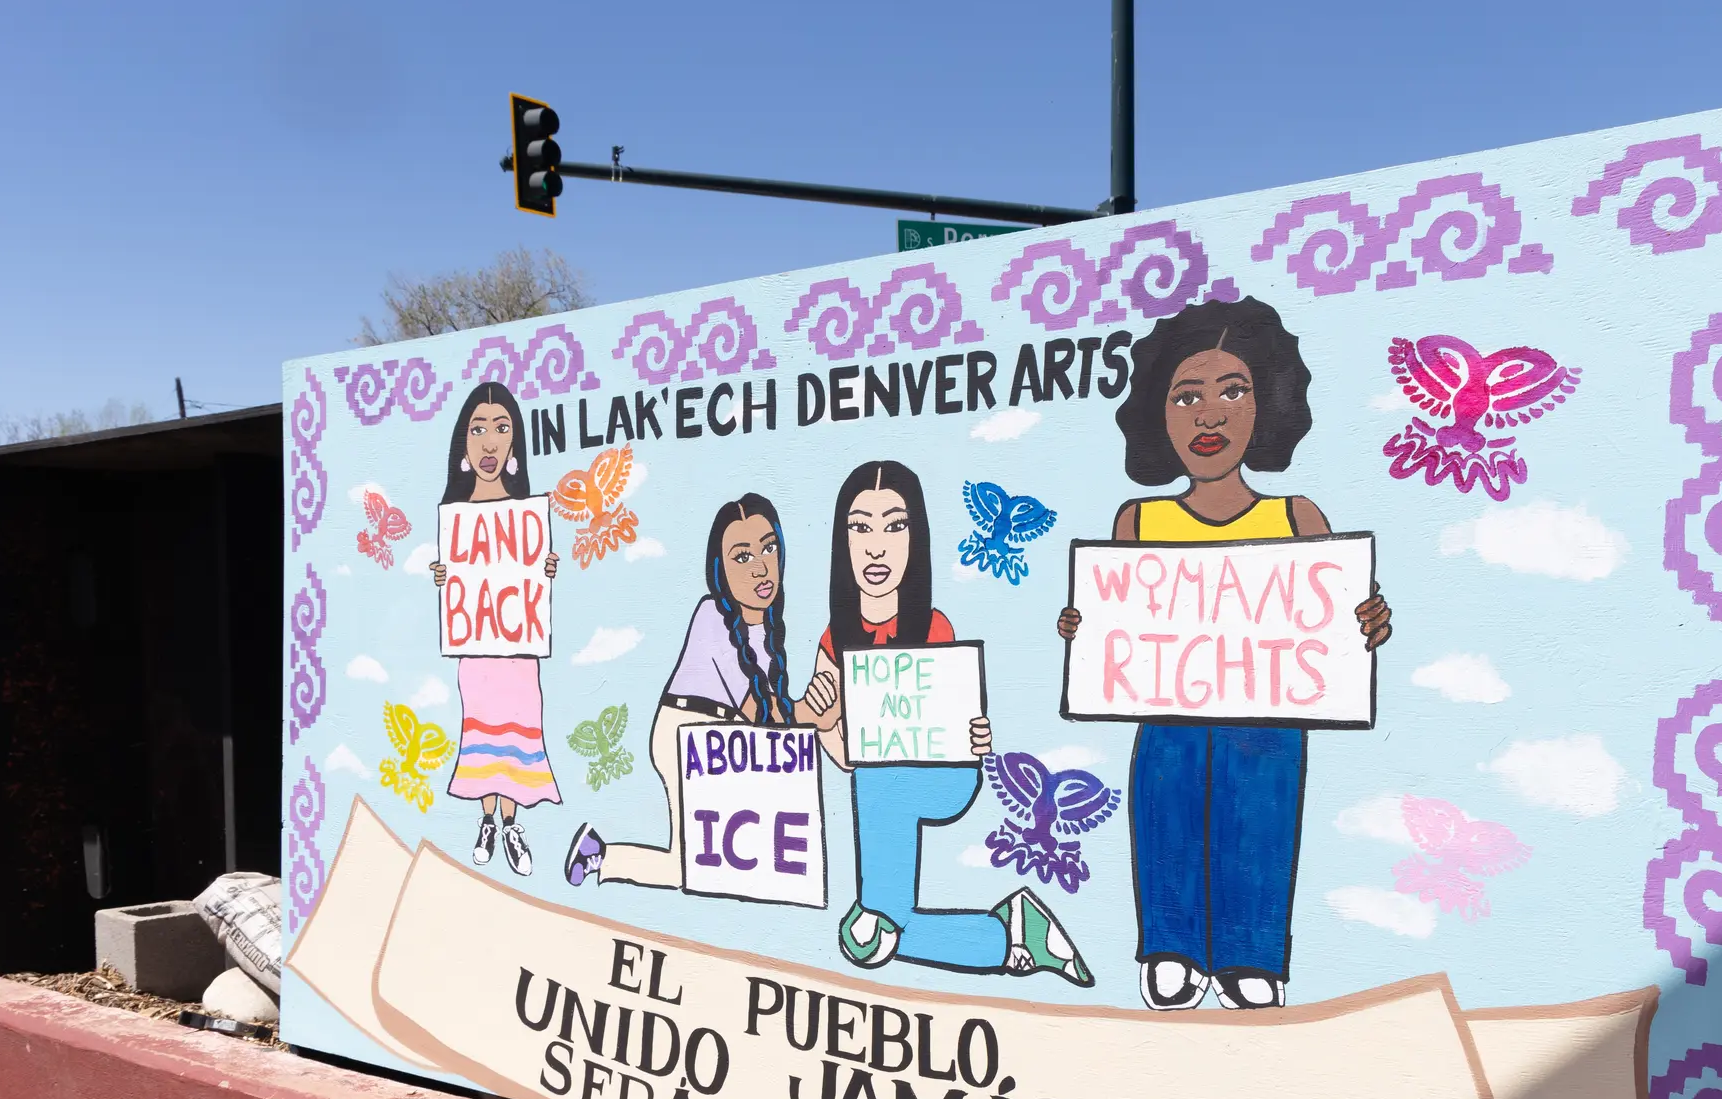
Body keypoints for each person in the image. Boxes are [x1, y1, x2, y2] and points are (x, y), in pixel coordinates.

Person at [1055, 298, 1394, 1009]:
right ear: (1159, 415)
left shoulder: (1295, 517)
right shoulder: (1139, 520)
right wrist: (1083, 626)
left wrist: (1367, 620)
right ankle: (1170, 946)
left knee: (1260, 815)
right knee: (1166, 806)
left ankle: (1251, 956)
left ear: (1265, 404)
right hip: (1168, 716)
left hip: (1267, 718)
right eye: (1186, 397)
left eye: (1232, 391)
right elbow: (1114, 623)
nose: (1208, 415)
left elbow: (1337, 615)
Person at [800, 461, 1088, 983]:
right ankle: (1009, 936)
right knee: (871, 935)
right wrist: (823, 724)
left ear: (916, 539)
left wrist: (975, 737)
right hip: (880, 783)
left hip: (943, 777)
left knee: (880, 783)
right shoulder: (833, 639)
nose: (877, 548)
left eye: (895, 526)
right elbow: (847, 759)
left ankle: (881, 915)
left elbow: (946, 727)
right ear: (843, 541)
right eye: (861, 528)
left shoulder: (933, 626)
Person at [564, 494, 797, 889]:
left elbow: (771, 715)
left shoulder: (768, 632)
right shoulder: (713, 616)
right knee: (695, 867)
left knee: (703, 863)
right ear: (720, 570)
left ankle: (597, 853)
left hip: (721, 739)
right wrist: (812, 716)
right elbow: (758, 712)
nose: (760, 567)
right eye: (742, 557)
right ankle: (599, 856)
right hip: (686, 733)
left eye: (769, 548)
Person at [428, 382, 560, 878]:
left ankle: (511, 824)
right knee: (482, 736)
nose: (489, 442)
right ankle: (488, 821)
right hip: (478, 650)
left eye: (501, 428)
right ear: (463, 442)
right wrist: (444, 576)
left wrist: (544, 569)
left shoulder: (525, 513)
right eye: (478, 429)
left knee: (518, 737)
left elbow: (525, 575)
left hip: (519, 652)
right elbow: (462, 580)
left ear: (514, 441)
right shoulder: (457, 516)